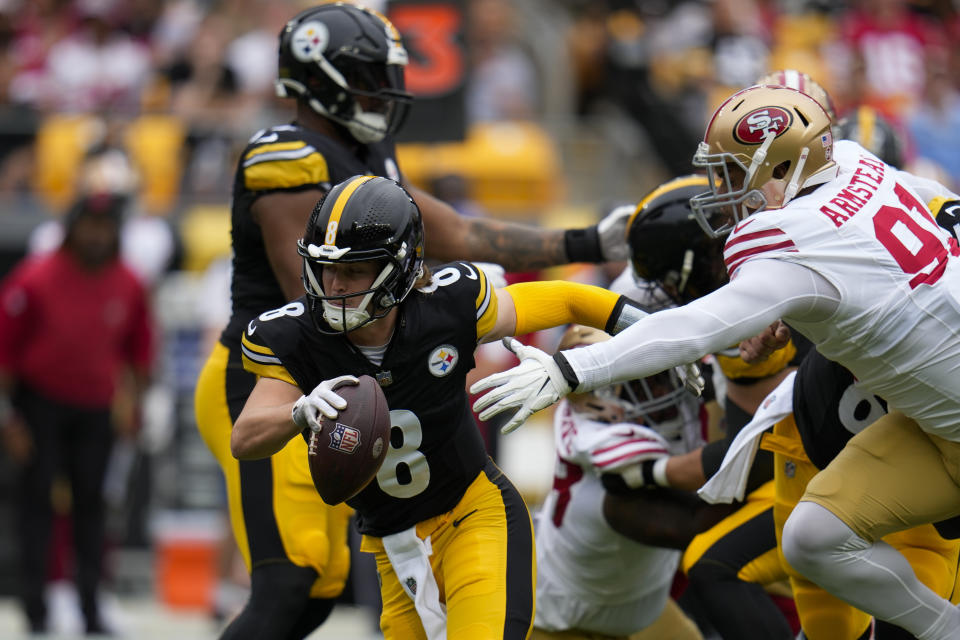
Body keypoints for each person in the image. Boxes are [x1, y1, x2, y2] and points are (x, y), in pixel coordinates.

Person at [193, 4, 632, 639]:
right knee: (291, 577)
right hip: (275, 377)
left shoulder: (361, 152)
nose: (385, 89)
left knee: (320, 584)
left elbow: (454, 229)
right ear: (321, 80)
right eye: (369, 74)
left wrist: (584, 240)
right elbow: (325, 306)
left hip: (340, 369)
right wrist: (430, 337)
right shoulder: (287, 159)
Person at [471, 83, 960, 638]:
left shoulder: (790, 240)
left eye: (732, 173)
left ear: (783, 167)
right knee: (812, 537)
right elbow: (928, 214)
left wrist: (571, 370)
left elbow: (694, 328)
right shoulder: (852, 161)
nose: (721, 190)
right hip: (933, 425)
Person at [230, 174, 656, 639]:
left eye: (353, 270)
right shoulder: (294, 336)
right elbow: (245, 438)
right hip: (392, 546)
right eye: (325, 268)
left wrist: (656, 331)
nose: (333, 284)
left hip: (473, 516)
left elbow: (566, 297)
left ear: (400, 269)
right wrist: (297, 413)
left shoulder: (448, 304)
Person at [0, 192, 155, 634]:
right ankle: (36, 610)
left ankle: (90, 608)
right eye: (89, 225)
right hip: (39, 405)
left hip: (96, 409)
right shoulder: (36, 278)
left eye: (105, 227)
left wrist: (136, 408)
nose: (97, 235)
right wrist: (8, 419)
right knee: (36, 505)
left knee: (92, 507)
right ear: (71, 227)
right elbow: (4, 353)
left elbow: (140, 352)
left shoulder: (128, 282)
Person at [531, 322, 705, 640]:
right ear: (599, 392)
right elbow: (694, 488)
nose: (667, 391)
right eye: (646, 383)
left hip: (624, 604)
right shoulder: (603, 444)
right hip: (558, 617)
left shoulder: (588, 415)